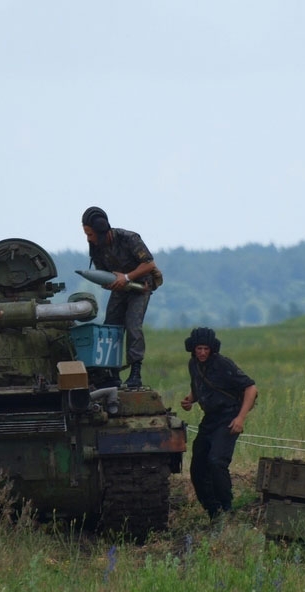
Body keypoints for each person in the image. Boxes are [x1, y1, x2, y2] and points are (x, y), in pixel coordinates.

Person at [180, 327, 258, 519]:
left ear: (212, 349)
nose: (202, 353)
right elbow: (198, 387)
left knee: (216, 461)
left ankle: (227, 507)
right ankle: (213, 512)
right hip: (210, 418)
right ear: (193, 349)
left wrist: (240, 418)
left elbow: (250, 388)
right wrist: (190, 399)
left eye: (206, 349)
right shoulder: (193, 364)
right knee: (197, 466)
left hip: (229, 416)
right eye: (199, 348)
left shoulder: (223, 364)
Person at [81, 206, 163, 388]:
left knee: (133, 326)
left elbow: (149, 264)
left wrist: (126, 278)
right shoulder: (96, 248)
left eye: (90, 234)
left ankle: (135, 374)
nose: (88, 239)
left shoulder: (129, 239)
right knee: (110, 328)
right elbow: (102, 271)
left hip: (140, 287)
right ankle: (112, 373)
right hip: (119, 288)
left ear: (101, 233)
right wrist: (110, 281)